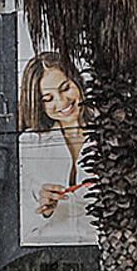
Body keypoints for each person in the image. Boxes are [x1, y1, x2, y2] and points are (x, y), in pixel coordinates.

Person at [18, 51, 95, 240]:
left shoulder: (111, 135)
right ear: (38, 104)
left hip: (109, 252)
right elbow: (17, 222)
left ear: (77, 81)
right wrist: (43, 209)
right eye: (48, 99)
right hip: (47, 253)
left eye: (65, 88)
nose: (61, 102)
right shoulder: (29, 145)